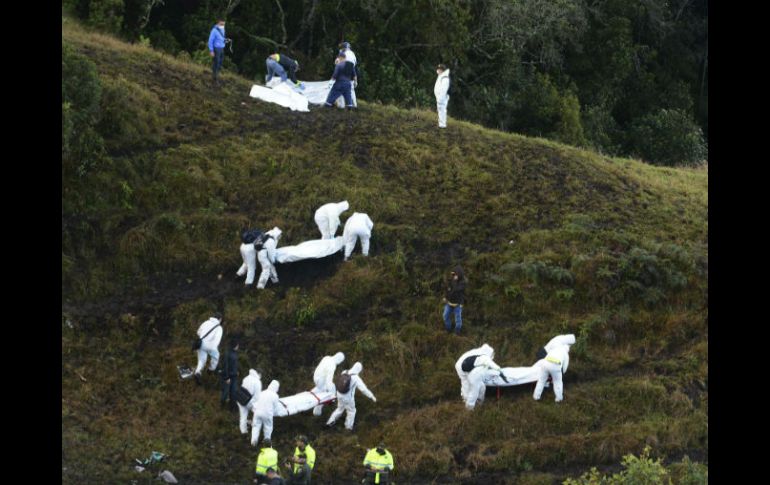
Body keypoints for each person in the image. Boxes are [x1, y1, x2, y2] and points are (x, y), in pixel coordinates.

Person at [326, 362, 376, 431]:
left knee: (340, 409)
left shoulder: (344, 372)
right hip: (348, 398)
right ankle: (348, 427)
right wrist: (372, 396)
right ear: (359, 370)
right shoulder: (356, 378)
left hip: (339, 394)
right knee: (351, 411)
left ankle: (330, 421)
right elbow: (364, 389)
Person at [533, 337, 573, 402]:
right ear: (567, 349)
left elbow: (546, 356)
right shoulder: (566, 354)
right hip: (556, 365)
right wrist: (562, 373)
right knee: (558, 382)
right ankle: (559, 399)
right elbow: (565, 367)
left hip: (545, 363)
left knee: (541, 381)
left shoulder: (554, 349)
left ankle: (536, 397)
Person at [193, 313, 224, 384]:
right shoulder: (219, 328)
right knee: (216, 357)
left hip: (201, 344)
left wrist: (203, 338)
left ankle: (198, 372)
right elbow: (217, 340)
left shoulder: (206, 322)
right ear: (220, 319)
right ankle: (210, 369)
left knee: (201, 360)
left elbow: (198, 332)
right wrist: (214, 348)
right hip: (211, 346)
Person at [312, 352, 345, 416]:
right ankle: (318, 409)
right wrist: (331, 394)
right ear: (339, 360)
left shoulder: (327, 357)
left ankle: (319, 390)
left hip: (315, 377)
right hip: (321, 381)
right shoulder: (332, 366)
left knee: (329, 387)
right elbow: (328, 381)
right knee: (331, 388)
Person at [251, 380, 281, 446]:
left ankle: (254, 440)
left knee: (256, 426)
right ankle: (267, 442)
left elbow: (256, 402)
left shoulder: (262, 393)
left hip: (257, 412)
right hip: (267, 414)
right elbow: (275, 408)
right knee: (268, 428)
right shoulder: (275, 396)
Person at [239, 369, 263, 435]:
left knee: (243, 415)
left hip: (240, 398)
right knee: (258, 412)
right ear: (259, 374)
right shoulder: (258, 382)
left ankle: (243, 432)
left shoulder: (246, 378)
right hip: (250, 401)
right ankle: (255, 427)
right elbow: (257, 397)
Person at [442, 266, 465, 334]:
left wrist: (454, 282)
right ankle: (448, 330)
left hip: (457, 304)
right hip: (449, 303)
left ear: (459, 274)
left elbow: (456, 290)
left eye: (455, 274)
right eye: (453, 274)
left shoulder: (463, 282)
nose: (454, 276)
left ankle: (456, 333)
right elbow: (448, 290)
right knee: (445, 316)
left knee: (458, 321)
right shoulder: (452, 281)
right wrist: (446, 297)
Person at [221, 337, 239, 409]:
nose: (238, 346)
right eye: (237, 345)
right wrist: (226, 377)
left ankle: (232, 408)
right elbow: (225, 366)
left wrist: (236, 372)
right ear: (235, 345)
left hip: (234, 376)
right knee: (225, 393)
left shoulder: (235, 353)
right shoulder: (227, 353)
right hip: (228, 377)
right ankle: (222, 407)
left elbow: (234, 365)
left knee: (233, 393)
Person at [338, 41, 358, 107]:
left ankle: (341, 106)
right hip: (350, 76)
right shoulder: (352, 55)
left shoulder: (343, 53)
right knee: (351, 91)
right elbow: (353, 68)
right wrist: (355, 80)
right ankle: (354, 105)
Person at [208, 19, 227, 83]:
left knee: (220, 62)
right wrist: (211, 50)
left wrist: (225, 40)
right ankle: (214, 78)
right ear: (218, 23)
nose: (223, 25)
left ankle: (217, 75)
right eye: (222, 24)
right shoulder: (214, 30)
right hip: (216, 49)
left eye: (224, 24)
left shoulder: (223, 29)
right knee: (216, 62)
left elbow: (222, 37)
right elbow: (210, 40)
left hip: (222, 48)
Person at [434, 64, 450, 128]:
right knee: (440, 111)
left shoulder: (445, 78)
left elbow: (443, 90)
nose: (438, 70)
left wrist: (440, 99)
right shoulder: (440, 76)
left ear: (442, 70)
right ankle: (441, 124)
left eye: (440, 69)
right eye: (438, 68)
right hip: (439, 98)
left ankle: (442, 125)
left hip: (442, 98)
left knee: (442, 110)